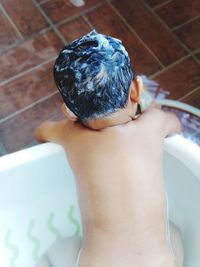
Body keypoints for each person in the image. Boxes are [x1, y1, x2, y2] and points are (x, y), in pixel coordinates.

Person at [34, 30, 183, 267]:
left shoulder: (72, 135)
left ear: (69, 112)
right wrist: (146, 110)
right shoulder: (154, 123)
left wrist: (68, 125)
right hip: (162, 264)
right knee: (173, 231)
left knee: (62, 246)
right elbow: (175, 125)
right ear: (135, 91)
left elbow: (41, 131)